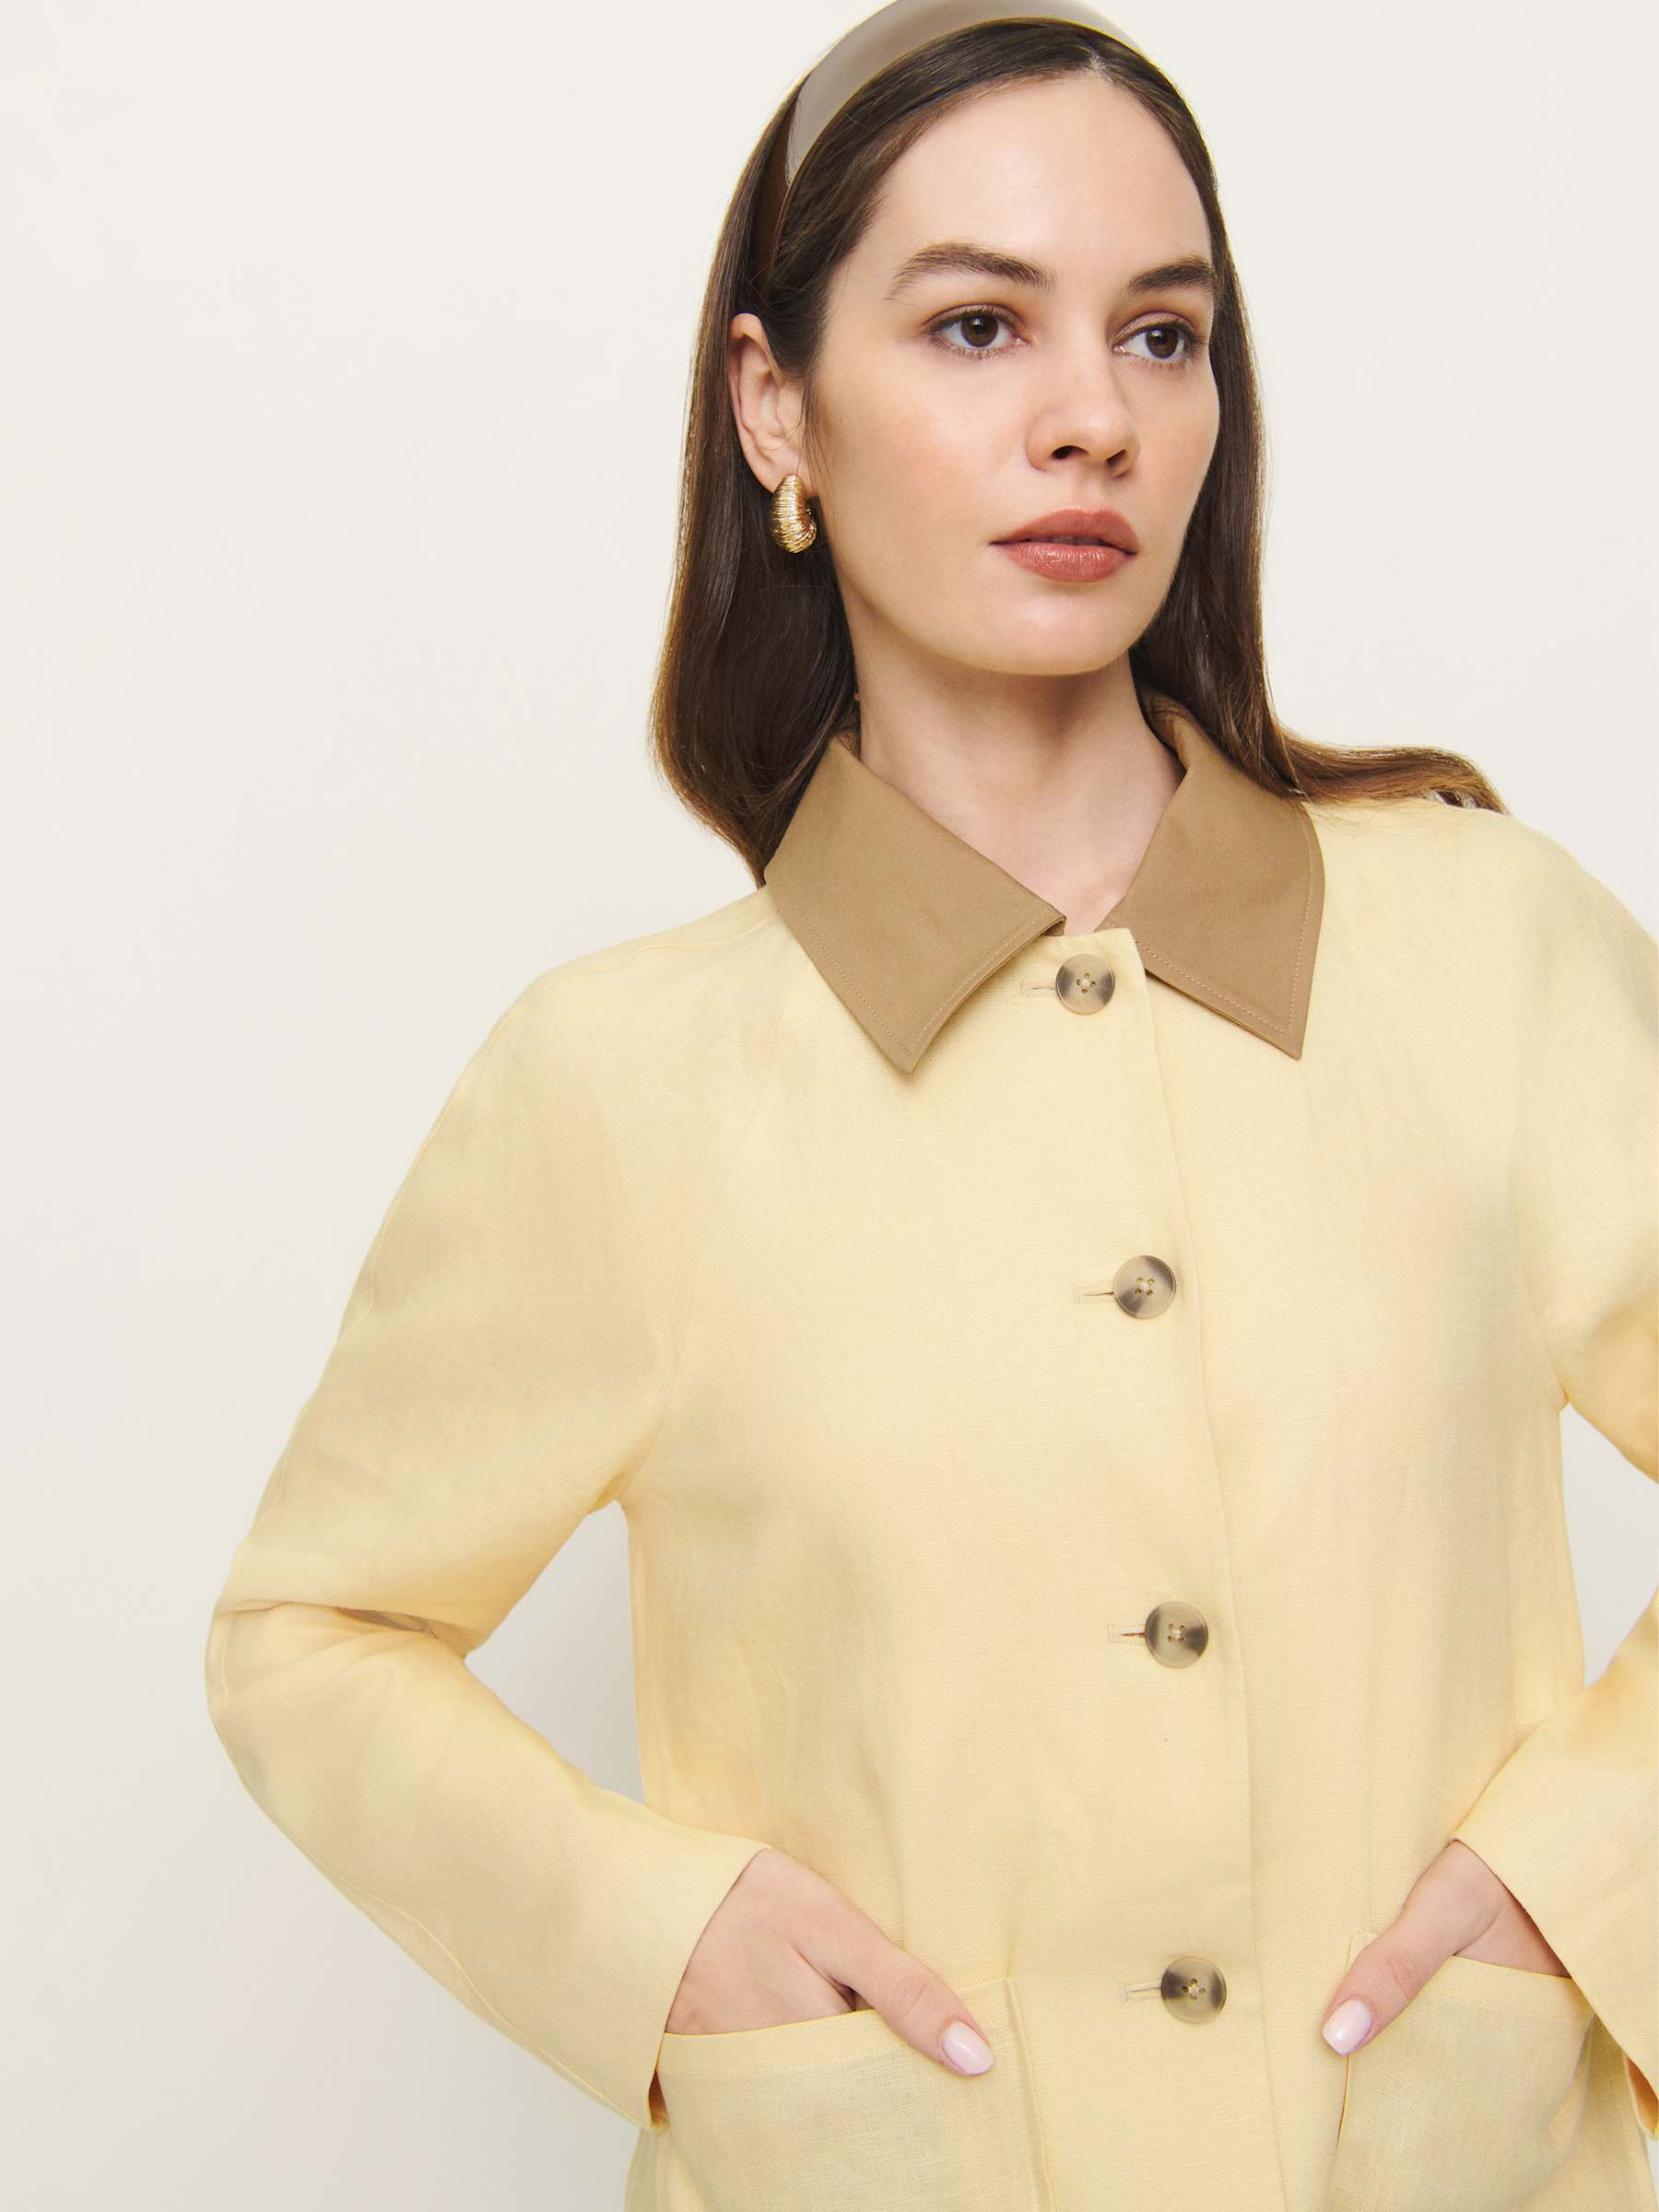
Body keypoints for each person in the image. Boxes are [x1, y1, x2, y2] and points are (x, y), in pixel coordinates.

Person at [203, 4, 1658, 2206]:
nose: (1094, 418)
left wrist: (1590, 1881)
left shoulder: (1494, 951)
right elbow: (308, 1639)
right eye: (980, 325)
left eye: (1163, 336)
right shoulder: (618, 1086)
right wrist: (662, 1944)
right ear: (774, 402)